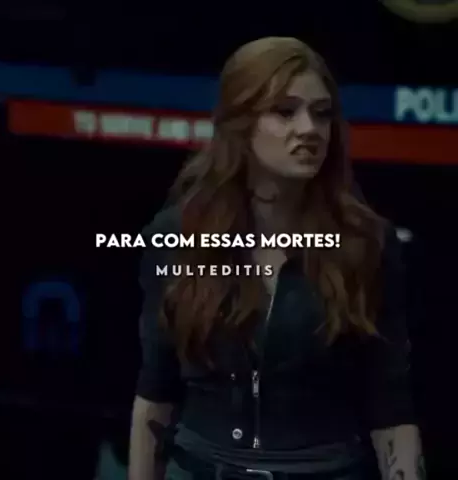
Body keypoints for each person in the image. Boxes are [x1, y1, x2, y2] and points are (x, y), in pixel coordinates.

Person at [129, 37, 425, 479]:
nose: (309, 129)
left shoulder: (367, 243)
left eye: (322, 114)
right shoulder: (177, 236)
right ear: (240, 124)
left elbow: (391, 408)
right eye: (285, 112)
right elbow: (156, 392)